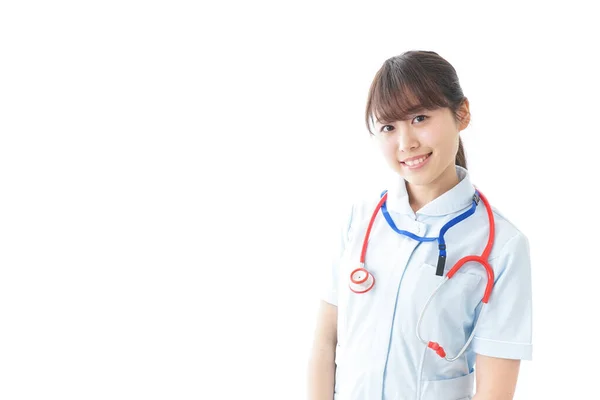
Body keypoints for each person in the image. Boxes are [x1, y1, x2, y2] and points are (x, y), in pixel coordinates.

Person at [307, 50, 533, 400]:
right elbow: (325, 344)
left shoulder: (502, 245)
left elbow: (494, 393)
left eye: (420, 118)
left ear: (462, 114)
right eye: (388, 127)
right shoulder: (360, 220)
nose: (405, 143)